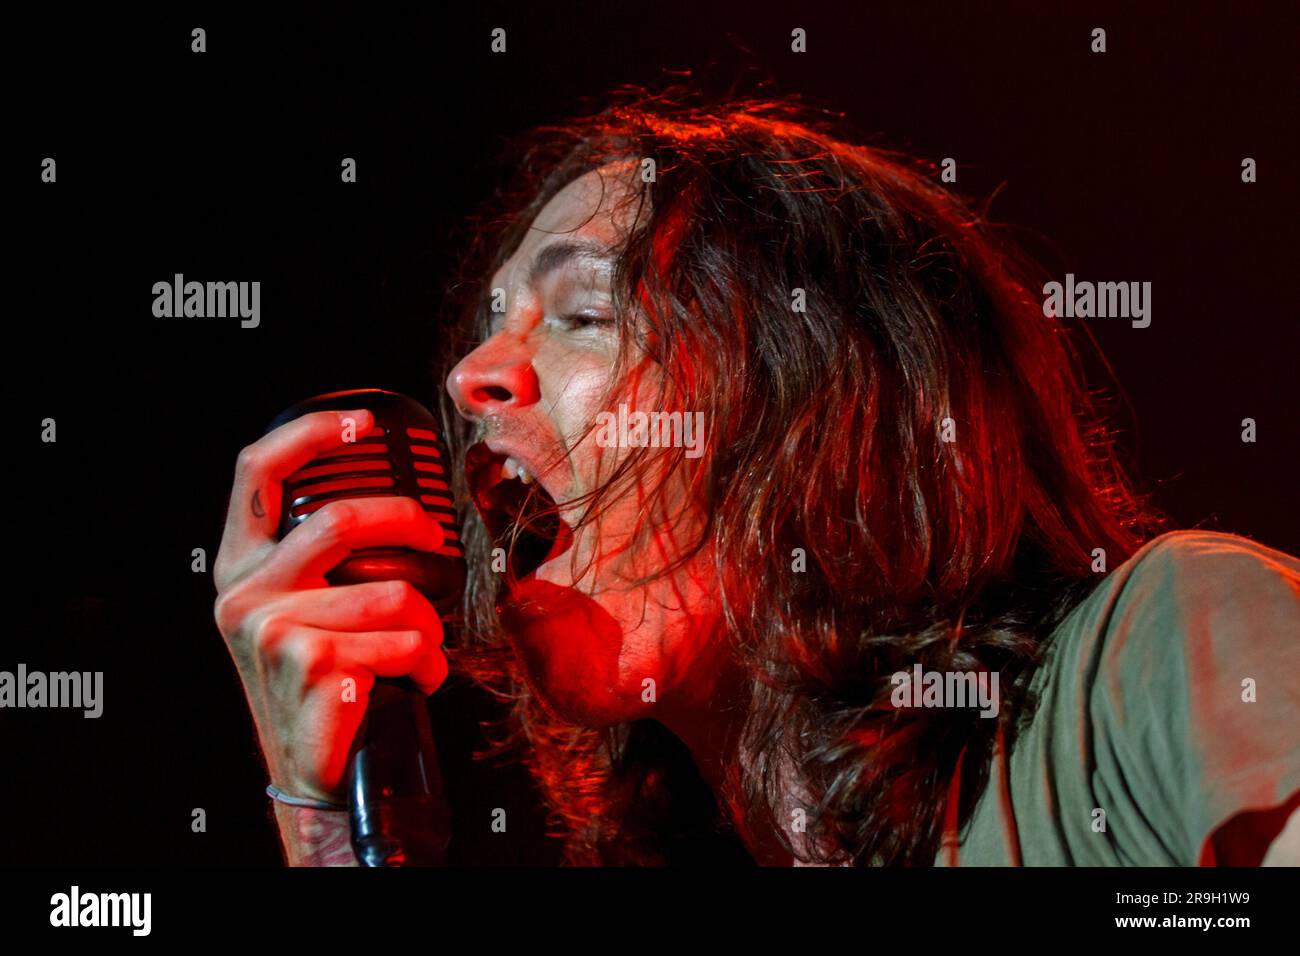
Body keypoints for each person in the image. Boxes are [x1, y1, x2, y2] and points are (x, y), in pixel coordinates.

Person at [213, 89, 1300, 866]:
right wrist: (329, 809)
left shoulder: (1165, 642)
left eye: (584, 314)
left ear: (826, 401)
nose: (469, 375)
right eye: (492, 322)